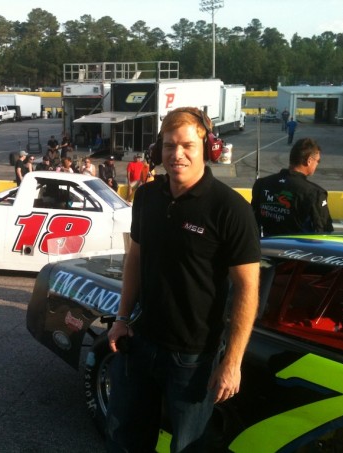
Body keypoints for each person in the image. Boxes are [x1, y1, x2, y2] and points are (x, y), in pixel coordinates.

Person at [106, 107, 260, 452]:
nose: (177, 155)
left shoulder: (231, 209)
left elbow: (247, 288)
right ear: (158, 149)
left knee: (188, 447)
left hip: (193, 358)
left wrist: (232, 362)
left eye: (188, 145)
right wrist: (121, 318)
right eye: (169, 145)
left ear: (207, 148)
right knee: (124, 438)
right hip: (140, 342)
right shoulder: (146, 196)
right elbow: (136, 257)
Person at [251, 137, 333, 236]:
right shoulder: (315, 194)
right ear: (309, 160)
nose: (317, 164)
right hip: (298, 249)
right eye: (318, 161)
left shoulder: (261, 184)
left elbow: (253, 223)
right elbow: (324, 232)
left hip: (268, 246)